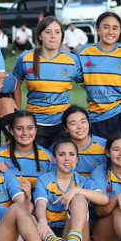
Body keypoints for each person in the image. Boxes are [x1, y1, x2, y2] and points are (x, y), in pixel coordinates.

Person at [13, 16, 83, 148]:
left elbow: (86, 85)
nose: (53, 36)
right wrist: (18, 113)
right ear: (39, 35)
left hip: (63, 124)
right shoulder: (25, 58)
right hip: (35, 124)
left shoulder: (72, 60)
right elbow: (15, 85)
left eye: (57, 32)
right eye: (48, 32)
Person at [33, 138, 108, 241]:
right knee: (31, 217)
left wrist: (75, 190)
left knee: (79, 199)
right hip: (49, 231)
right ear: (54, 159)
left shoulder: (84, 181)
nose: (67, 158)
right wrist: (42, 221)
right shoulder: (44, 179)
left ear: (77, 159)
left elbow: (104, 199)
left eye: (71, 154)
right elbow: (40, 204)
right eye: (62, 154)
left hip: (73, 231)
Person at [76, 12, 121, 143]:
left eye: (115, 28)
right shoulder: (84, 53)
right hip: (96, 117)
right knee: (100, 158)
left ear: (120, 30)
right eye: (106, 27)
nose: (110, 31)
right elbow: (77, 78)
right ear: (98, 28)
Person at [0, 111, 54, 189]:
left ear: (35, 130)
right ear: (11, 131)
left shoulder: (47, 157)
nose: (25, 133)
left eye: (30, 128)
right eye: (19, 128)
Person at [61, 105, 107, 177]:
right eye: (73, 123)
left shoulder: (104, 145)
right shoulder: (60, 148)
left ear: (89, 123)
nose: (79, 127)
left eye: (83, 122)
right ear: (66, 128)